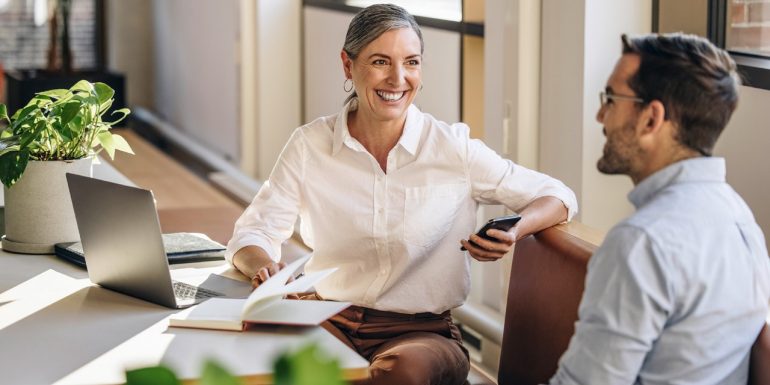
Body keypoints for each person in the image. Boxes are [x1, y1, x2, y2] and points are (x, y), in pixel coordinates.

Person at [227, 4, 577, 385]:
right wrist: (263, 265)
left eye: (411, 62)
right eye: (380, 61)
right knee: (265, 353)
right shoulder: (310, 145)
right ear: (348, 65)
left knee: (402, 374)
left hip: (422, 335)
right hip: (327, 317)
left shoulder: (452, 148)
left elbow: (557, 195)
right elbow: (253, 233)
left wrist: (515, 230)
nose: (398, 78)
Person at [550, 33, 770, 384]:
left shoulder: (641, 242)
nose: (599, 115)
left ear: (651, 119)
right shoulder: (742, 221)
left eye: (610, 99)